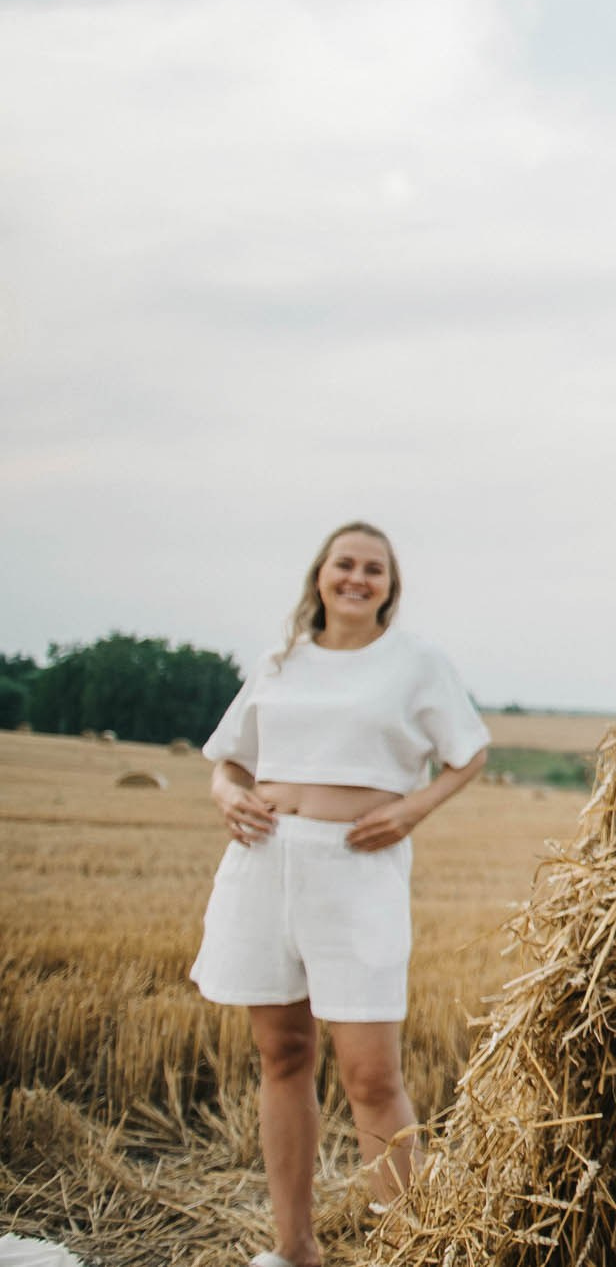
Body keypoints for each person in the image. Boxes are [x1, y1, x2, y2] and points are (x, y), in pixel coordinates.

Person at [190, 521, 489, 1267]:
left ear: (390, 589)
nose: (357, 578)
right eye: (344, 564)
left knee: (372, 1077)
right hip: (263, 862)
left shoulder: (415, 662)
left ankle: (412, 1254)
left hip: (355, 871)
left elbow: (470, 750)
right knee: (282, 1053)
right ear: (319, 576)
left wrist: (411, 808)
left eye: (374, 570)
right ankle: (295, 1250)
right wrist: (227, 795)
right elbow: (227, 761)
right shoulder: (280, 661)